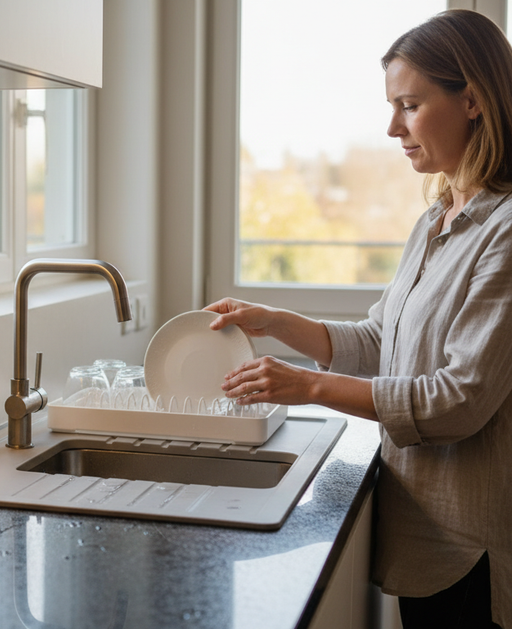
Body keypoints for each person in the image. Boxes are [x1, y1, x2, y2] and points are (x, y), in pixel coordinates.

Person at [205, 9, 512, 629]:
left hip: (469, 547)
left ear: (473, 100)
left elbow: (460, 399)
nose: (392, 126)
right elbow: (382, 340)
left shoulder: (506, 231)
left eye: (409, 104)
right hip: (422, 534)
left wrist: (309, 387)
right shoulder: (437, 222)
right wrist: (277, 322)